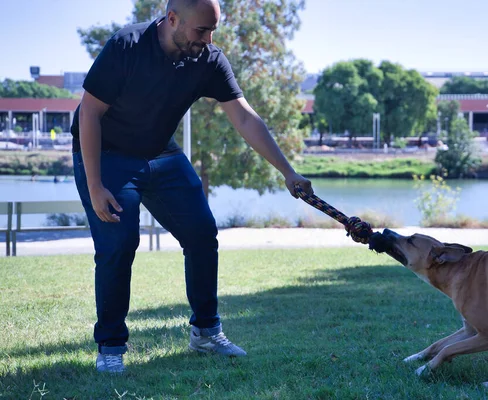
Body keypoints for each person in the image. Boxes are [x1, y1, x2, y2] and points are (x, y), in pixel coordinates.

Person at [70, 0, 313, 373]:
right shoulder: (126, 46)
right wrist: (95, 184)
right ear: (172, 19)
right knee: (119, 244)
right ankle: (111, 346)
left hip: (160, 153)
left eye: (213, 30)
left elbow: (245, 119)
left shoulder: (209, 59)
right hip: (108, 154)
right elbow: (89, 112)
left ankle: (205, 332)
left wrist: (288, 171)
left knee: (202, 232)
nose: (209, 38)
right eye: (202, 30)